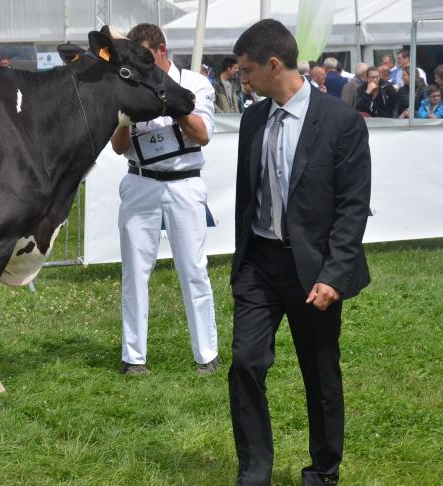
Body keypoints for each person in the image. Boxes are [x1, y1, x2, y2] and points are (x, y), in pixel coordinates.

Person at [231, 19, 371, 485]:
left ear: (274, 65)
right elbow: (248, 197)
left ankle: (323, 472)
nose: (242, 80)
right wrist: (242, 260)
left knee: (320, 374)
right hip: (259, 264)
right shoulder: (253, 118)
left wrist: (334, 275)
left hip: (314, 269)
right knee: (246, 363)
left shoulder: (341, 121)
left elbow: (353, 208)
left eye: (247, 71)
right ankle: (254, 473)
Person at [111, 23, 220, 376]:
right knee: (134, 273)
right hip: (140, 181)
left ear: (161, 49)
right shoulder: (132, 85)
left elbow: (202, 134)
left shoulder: (195, 83)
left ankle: (206, 354)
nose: (139, 63)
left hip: (184, 183)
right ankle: (134, 357)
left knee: (193, 269)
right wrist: (125, 115)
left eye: (144, 56)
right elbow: (118, 146)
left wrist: (171, 102)